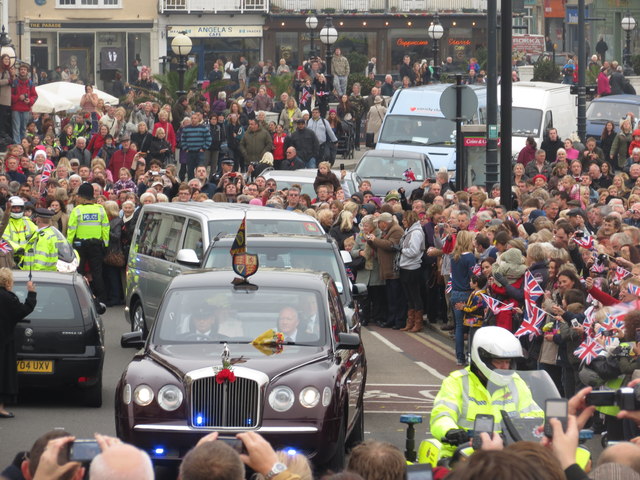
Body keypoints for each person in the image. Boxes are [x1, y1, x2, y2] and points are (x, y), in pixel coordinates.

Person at [430, 326, 543, 457]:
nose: (505, 367)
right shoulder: (457, 382)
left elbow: (534, 415)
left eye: (508, 362)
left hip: (507, 455)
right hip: (464, 453)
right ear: (482, 358)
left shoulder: (516, 383)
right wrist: (450, 431)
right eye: (499, 362)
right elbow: (442, 415)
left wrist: (544, 427)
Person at [0, 267, 36, 418]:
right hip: (4, 342)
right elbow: (25, 309)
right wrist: (31, 292)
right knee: (3, 375)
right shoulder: (9, 299)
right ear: (8, 282)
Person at [67, 183, 110, 303]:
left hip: (80, 246)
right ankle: (101, 298)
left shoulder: (77, 210)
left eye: (78, 196)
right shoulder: (100, 209)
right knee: (97, 273)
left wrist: (68, 246)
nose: (77, 198)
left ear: (82, 197)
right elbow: (105, 228)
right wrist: (105, 244)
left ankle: (80, 298)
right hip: (96, 245)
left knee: (79, 272)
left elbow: (71, 230)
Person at [398, 210, 425, 332]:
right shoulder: (408, 230)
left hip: (412, 268)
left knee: (415, 296)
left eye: (404, 219)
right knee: (409, 297)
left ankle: (418, 323)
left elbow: (414, 251)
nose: (402, 221)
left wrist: (401, 250)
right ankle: (410, 321)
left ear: (410, 219)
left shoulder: (416, 233)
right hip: (405, 266)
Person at [2, 197, 37, 262]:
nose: (16, 210)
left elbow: (37, 233)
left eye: (18, 208)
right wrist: (18, 249)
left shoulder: (27, 221)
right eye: (14, 208)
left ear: (22, 209)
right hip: (12, 257)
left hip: (27, 256)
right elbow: (4, 240)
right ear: (10, 209)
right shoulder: (6, 223)